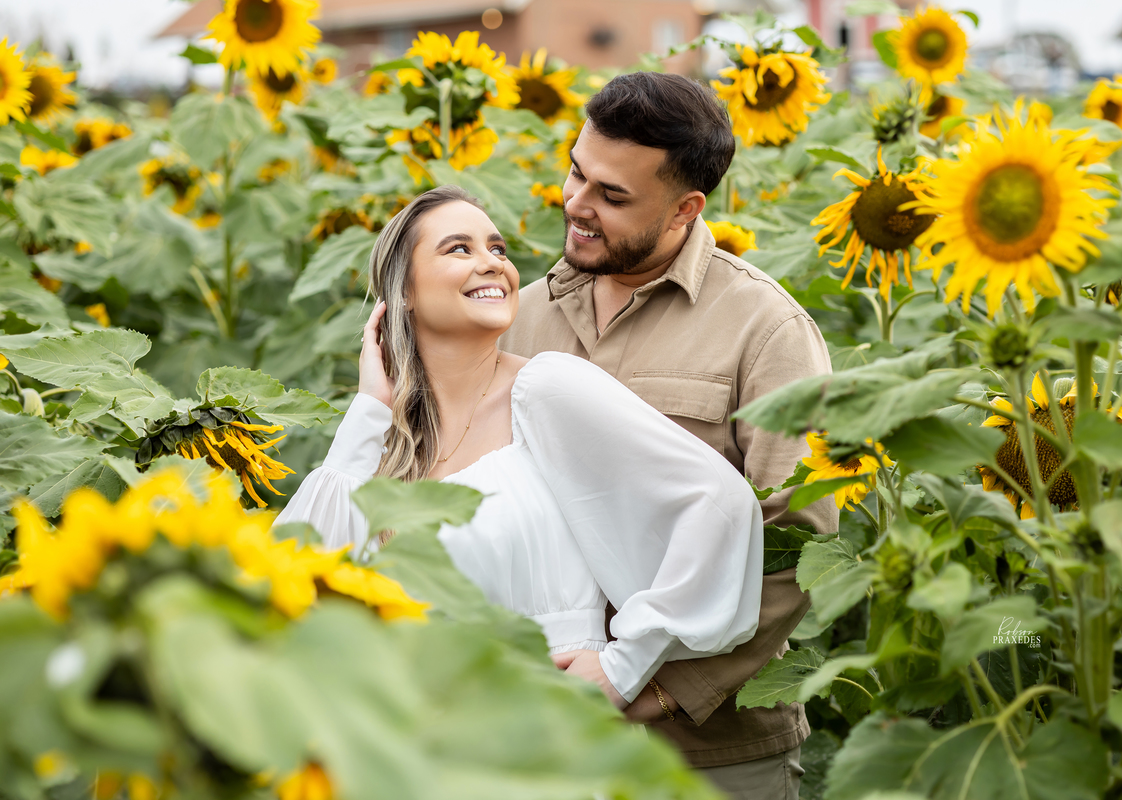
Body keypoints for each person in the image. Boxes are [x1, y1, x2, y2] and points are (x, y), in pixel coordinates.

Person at [275, 184, 765, 717]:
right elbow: (293, 583)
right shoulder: (384, 443)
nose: (492, 263)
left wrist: (624, 666)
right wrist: (371, 407)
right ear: (405, 291)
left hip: (548, 726)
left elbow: (719, 505)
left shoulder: (547, 390)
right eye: (459, 248)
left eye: (498, 248)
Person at [498, 72, 838, 799]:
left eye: (613, 196)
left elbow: (796, 542)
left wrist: (651, 688)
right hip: (539, 741)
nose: (576, 204)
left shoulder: (765, 331)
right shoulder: (517, 320)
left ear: (686, 208)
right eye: (576, 173)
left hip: (709, 754)